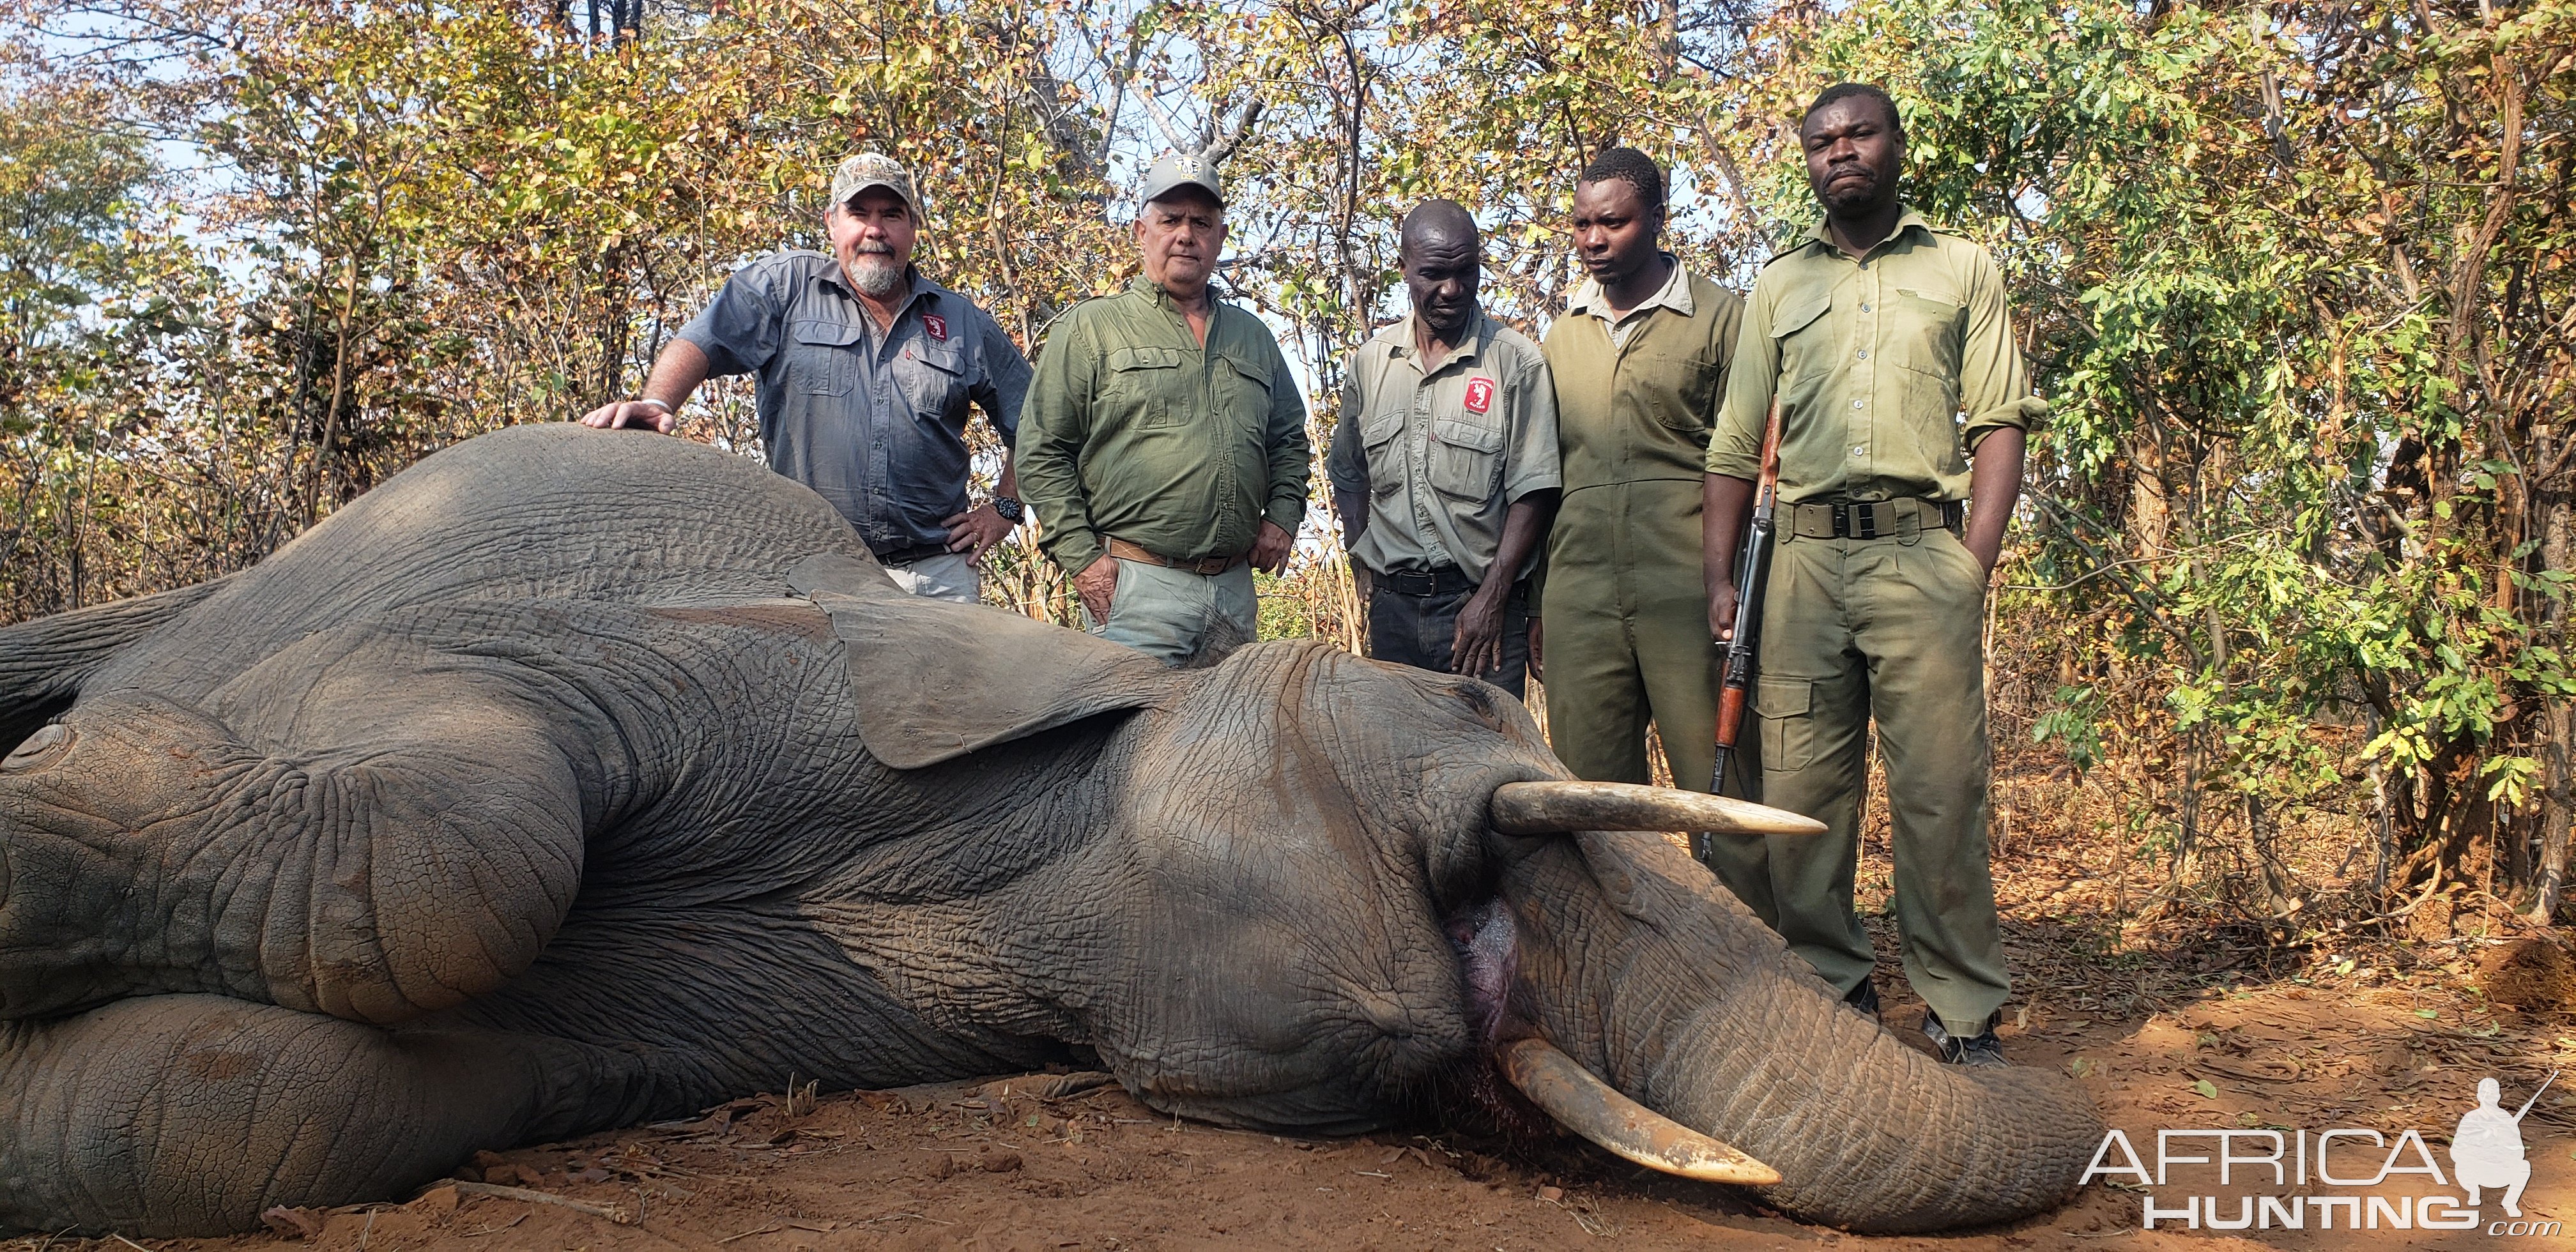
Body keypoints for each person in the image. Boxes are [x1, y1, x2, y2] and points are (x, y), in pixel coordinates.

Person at [1700, 83, 2043, 1066]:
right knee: (1805, 791)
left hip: (1918, 552)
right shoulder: (1779, 285)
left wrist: (1969, 564)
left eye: (1858, 135)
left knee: (1939, 789)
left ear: (1896, 145)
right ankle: (1832, 987)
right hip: (1800, 565)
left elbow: (1998, 422)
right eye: (1821, 142)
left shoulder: (1962, 268)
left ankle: (1963, 1006)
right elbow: (1732, 446)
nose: (1839, 152)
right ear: (1807, 161)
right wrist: (1722, 581)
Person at [579, 153, 1029, 604]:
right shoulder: (785, 287)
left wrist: (1006, 509)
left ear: (913, 227)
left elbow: (1035, 420)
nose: (875, 230)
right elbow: (703, 341)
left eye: (891, 215)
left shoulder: (960, 321)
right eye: (859, 213)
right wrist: (659, 404)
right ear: (832, 222)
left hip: (934, 578)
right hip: (813, 574)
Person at [1015, 151, 1308, 664]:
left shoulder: (1254, 337)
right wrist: (1084, 561)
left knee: (1229, 742)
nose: (1186, 234)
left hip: (1234, 593)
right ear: (1141, 232)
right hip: (1135, 591)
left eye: (1202, 222)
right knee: (1131, 743)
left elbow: (1288, 439)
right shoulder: (1090, 329)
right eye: (1171, 219)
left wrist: (1283, 517)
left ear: (1220, 236)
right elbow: (1041, 452)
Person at [1537, 148, 1749, 788]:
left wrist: (1727, 583)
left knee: (1722, 796)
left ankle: (1732, 898)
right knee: (1593, 809)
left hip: (1688, 594)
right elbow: (1545, 481)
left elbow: (1746, 462)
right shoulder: (1561, 336)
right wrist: (1540, 604)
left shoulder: (1719, 319)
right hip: (1582, 599)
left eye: (1613, 223)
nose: (1592, 240)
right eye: (1580, 225)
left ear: (1657, 218)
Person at [1326, 200, 1559, 696]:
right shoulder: (1371, 365)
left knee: (1487, 766)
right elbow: (1348, 473)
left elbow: (1535, 492)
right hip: (1393, 616)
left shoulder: (1516, 363)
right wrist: (1363, 557)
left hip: (1479, 614)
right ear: (1404, 269)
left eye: (1466, 271)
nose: (1452, 290)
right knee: (1395, 767)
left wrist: (1494, 598)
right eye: (1434, 274)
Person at [2451, 1077, 2534, 1217]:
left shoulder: (2506, 1119)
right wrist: (2481, 1143)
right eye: (2485, 1093)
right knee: (2462, 1164)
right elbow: (2456, 1151)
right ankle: (2474, 1191)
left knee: (2524, 1166)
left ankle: (2510, 1203)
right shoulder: (2471, 1118)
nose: (2489, 1097)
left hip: (2499, 1170)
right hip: (2474, 1170)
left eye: (2493, 1094)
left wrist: (2502, 1143)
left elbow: (2518, 1152)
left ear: (2499, 1097)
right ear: (2478, 1096)